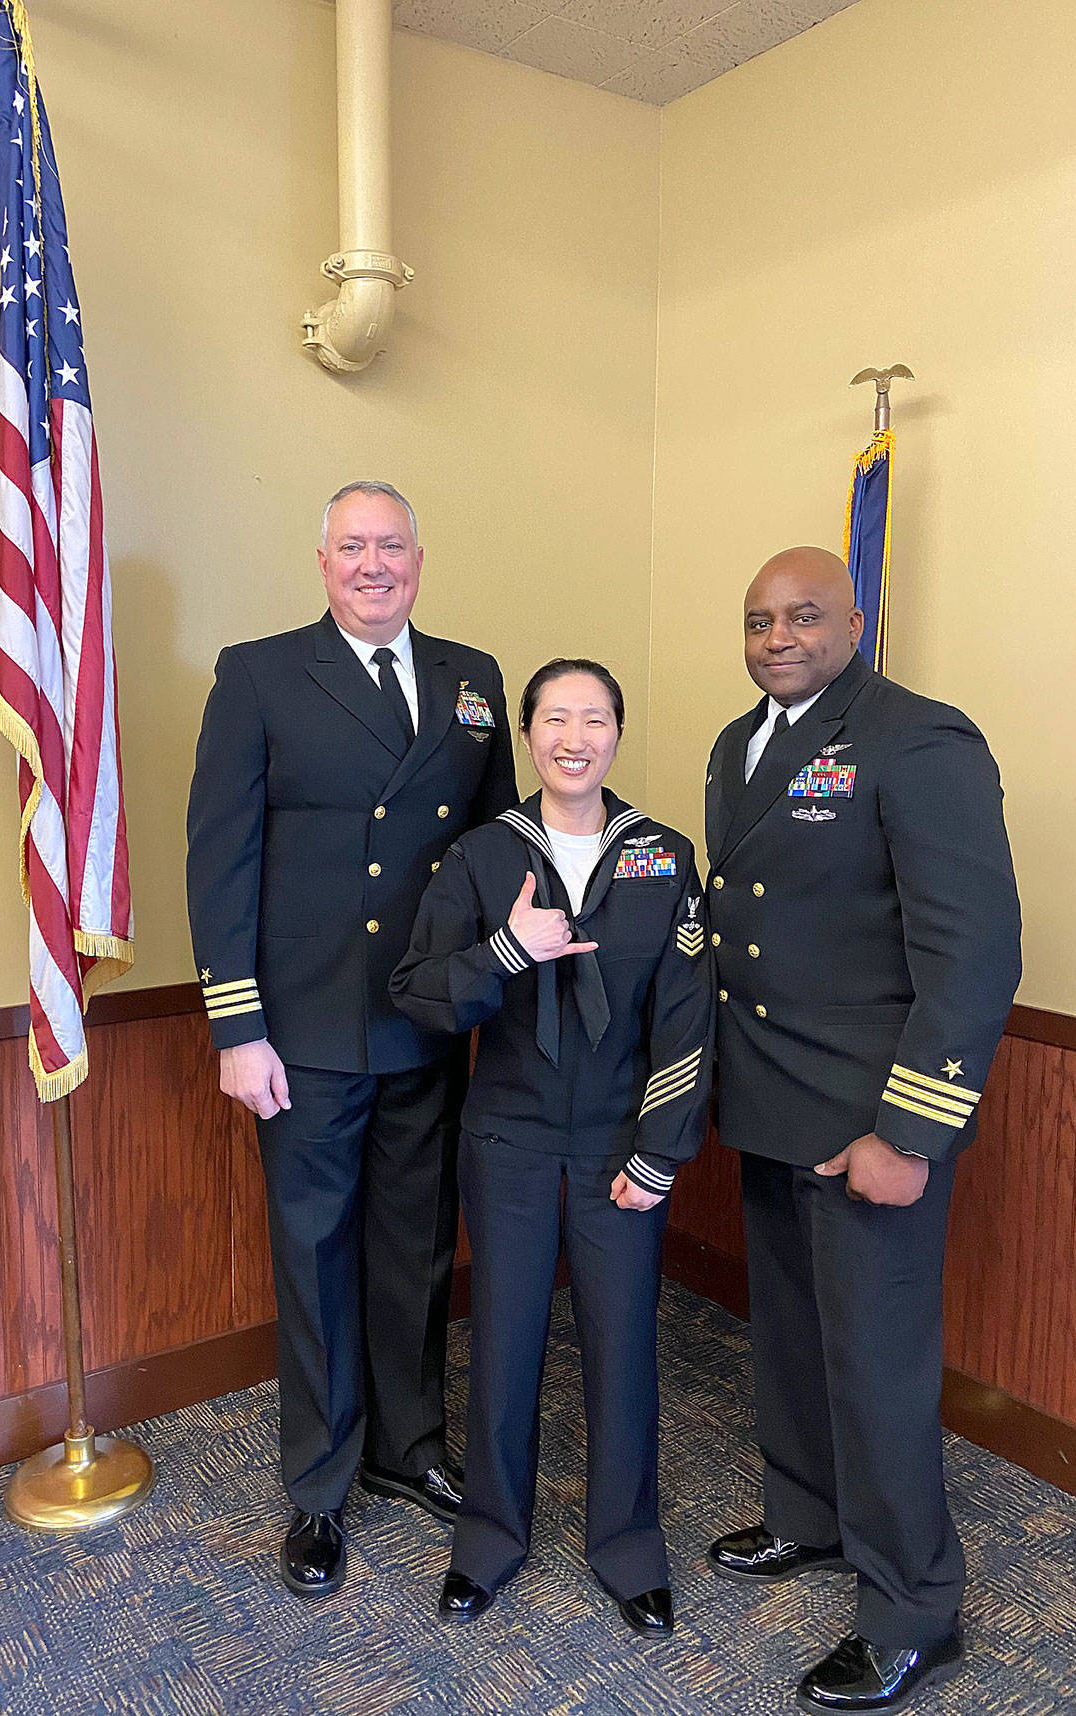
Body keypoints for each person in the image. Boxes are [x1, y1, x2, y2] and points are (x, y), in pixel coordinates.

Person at [702, 547, 1022, 1712]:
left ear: (854, 618)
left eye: (800, 616)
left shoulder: (916, 738)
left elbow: (971, 955)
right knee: (788, 1337)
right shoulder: (738, 745)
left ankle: (910, 1612)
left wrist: (910, 1133)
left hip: (866, 1121)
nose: (776, 637)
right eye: (755, 621)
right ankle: (808, 1515)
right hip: (771, 1102)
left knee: (878, 1370)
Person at [186, 481, 517, 1598]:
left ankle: (406, 1447)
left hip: (424, 1020)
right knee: (317, 1256)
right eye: (351, 548)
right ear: (320, 559)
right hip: (308, 1028)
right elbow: (218, 856)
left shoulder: (473, 679)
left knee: (416, 1245)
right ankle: (319, 1488)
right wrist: (240, 1025)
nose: (372, 564)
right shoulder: (260, 673)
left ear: (419, 557)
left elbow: (492, 848)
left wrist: (499, 980)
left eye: (390, 546)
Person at [390, 659, 715, 1635]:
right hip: (512, 1144)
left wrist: (659, 1153)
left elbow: (687, 1018)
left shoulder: (661, 855)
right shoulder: (481, 859)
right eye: (555, 719)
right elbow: (416, 988)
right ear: (527, 736)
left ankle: (626, 1548)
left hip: (620, 1143)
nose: (574, 737)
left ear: (615, 733)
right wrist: (504, 952)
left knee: (622, 1349)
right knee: (504, 1345)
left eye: (595, 718)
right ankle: (487, 1541)